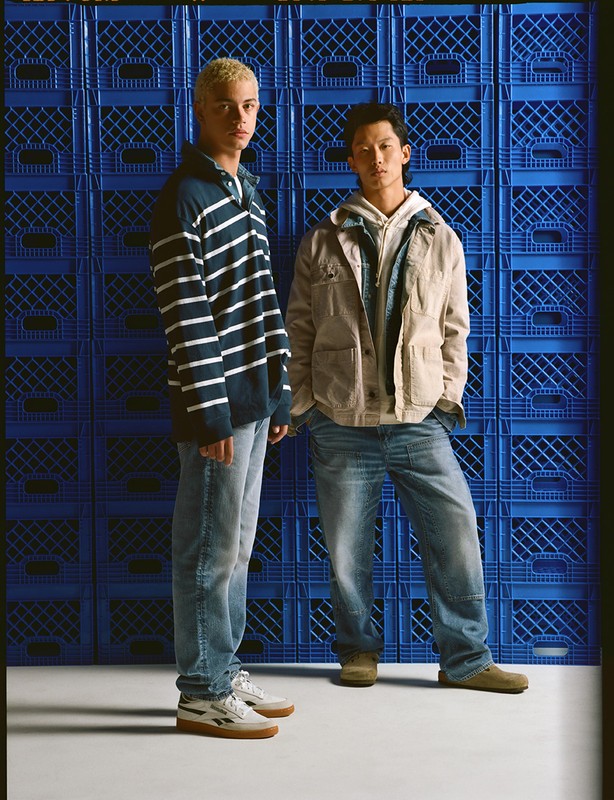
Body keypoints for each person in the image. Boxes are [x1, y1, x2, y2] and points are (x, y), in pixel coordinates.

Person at [285, 102, 528, 694]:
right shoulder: (322, 239)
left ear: (404, 153)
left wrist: (446, 399)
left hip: (419, 418)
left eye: (385, 147)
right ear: (351, 160)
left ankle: (466, 659)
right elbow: (299, 328)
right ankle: (357, 651)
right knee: (347, 547)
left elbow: (455, 329)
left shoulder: (440, 236)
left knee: (456, 532)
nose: (376, 158)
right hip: (342, 419)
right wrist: (305, 404)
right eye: (363, 150)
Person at [150, 58, 295, 739]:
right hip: (218, 409)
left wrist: (280, 393)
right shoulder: (184, 196)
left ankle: (223, 668)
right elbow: (187, 316)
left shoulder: (246, 193)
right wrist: (210, 415)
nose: (242, 118)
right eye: (228, 106)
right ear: (201, 110)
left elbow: (263, 302)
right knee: (207, 552)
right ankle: (201, 693)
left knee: (235, 548)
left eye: (251, 105)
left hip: (256, 403)